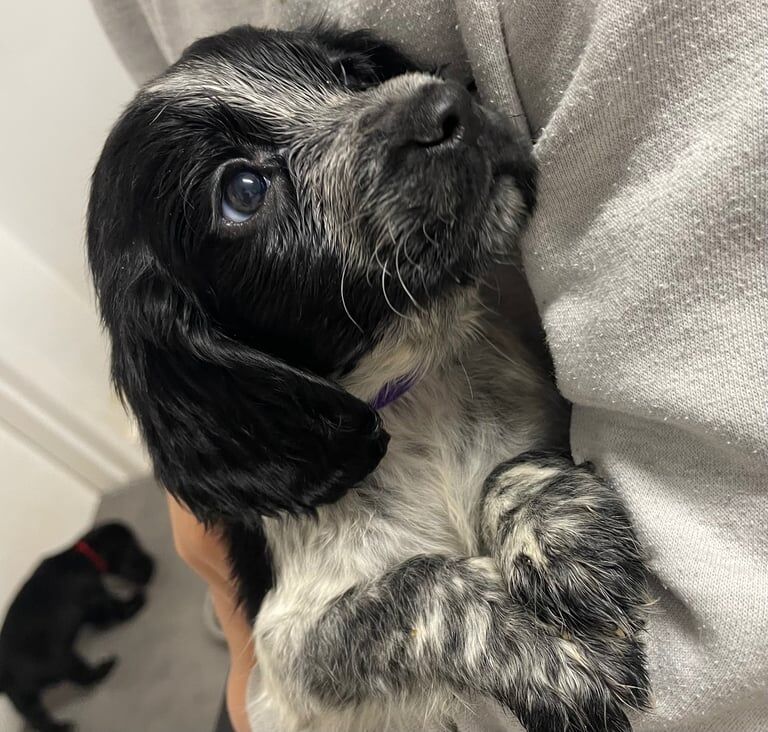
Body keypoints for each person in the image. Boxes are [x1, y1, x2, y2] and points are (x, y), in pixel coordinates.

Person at [94, 1, 768, 731]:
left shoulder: (479, 354)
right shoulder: (271, 461)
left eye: (347, 76)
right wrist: (446, 612)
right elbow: (293, 650)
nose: (422, 101)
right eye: (245, 191)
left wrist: (520, 494)